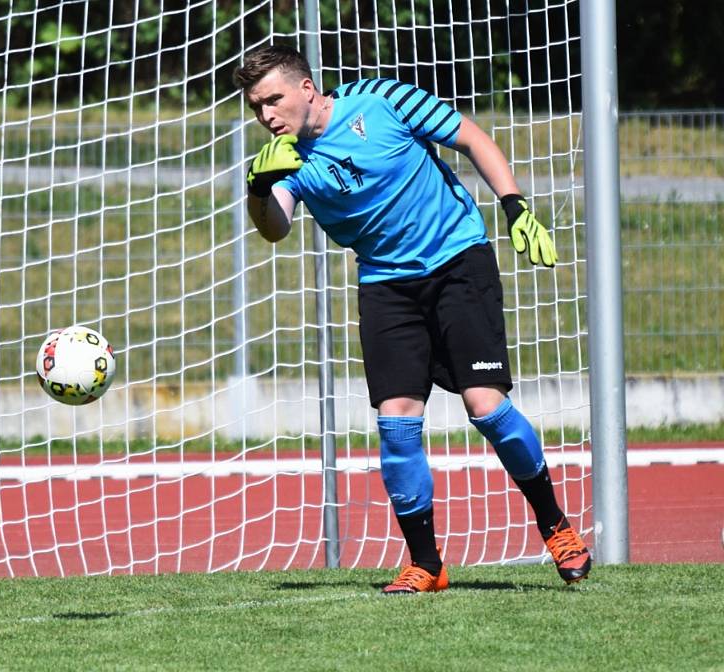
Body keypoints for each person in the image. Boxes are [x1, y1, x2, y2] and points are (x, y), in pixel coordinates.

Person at [233, 45, 591, 594]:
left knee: (485, 405)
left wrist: (515, 205)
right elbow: (273, 227)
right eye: (257, 107)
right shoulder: (286, 162)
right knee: (396, 420)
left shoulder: (383, 100)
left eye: (274, 100)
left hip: (457, 263)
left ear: (307, 88)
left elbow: (470, 137)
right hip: (385, 284)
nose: (267, 116)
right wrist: (258, 188)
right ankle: (427, 564)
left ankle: (556, 527)